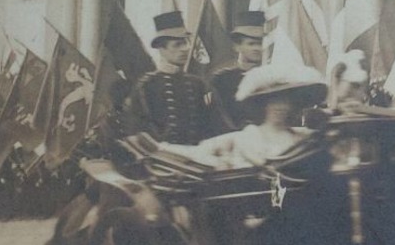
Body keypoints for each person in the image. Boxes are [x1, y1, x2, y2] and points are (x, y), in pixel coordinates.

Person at [160, 64, 328, 170]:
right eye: (274, 102)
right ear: (263, 105)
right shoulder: (248, 136)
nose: (280, 108)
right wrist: (161, 148)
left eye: (285, 102)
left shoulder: (302, 137)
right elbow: (198, 152)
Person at [123, 10, 214, 145]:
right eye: (177, 45)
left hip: (196, 157)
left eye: (185, 43)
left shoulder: (197, 84)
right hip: (162, 159)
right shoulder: (147, 86)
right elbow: (137, 130)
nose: (185, 49)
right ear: (162, 49)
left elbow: (209, 125)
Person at [210, 11, 266, 131]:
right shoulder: (221, 80)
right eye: (251, 44)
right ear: (237, 47)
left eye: (260, 44)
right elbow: (218, 117)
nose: (257, 49)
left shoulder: (270, 77)